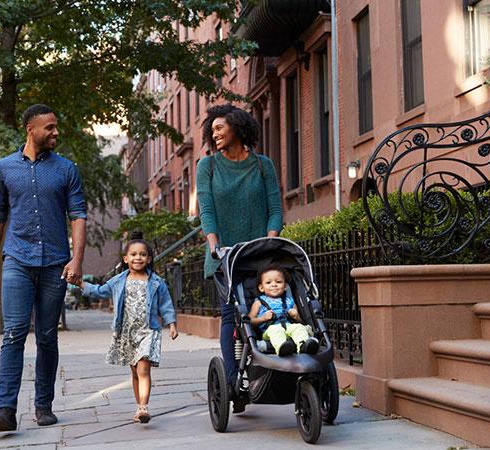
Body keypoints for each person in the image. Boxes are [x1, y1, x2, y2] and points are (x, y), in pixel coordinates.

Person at [0, 104, 87, 431]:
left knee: (46, 336)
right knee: (13, 333)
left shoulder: (66, 169)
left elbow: (79, 216)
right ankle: (6, 409)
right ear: (31, 129)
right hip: (16, 260)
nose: (56, 132)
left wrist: (77, 259)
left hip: (55, 264)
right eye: (50, 127)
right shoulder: (4, 168)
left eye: (56, 127)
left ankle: (43, 405)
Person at [196, 103, 283, 410]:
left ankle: (267, 371)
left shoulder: (262, 165)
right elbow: (206, 209)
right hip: (225, 256)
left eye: (219, 128)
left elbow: (275, 208)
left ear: (237, 127)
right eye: (212, 129)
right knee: (231, 317)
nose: (214, 133)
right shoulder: (207, 166)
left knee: (268, 310)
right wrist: (213, 243)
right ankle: (234, 382)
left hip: (260, 256)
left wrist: (271, 242)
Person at [80, 233, 178, 424]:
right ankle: (139, 407)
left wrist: (172, 324)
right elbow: (100, 291)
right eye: (133, 254)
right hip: (126, 333)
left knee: (143, 369)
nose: (138, 257)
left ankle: (144, 406)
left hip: (148, 331)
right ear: (126, 259)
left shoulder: (156, 282)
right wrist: (80, 283)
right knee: (134, 372)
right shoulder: (118, 280)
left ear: (149, 259)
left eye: (142, 254)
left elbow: (166, 304)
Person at [249, 266, 319, 356]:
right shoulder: (258, 302)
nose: (274, 284)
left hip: (288, 327)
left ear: (285, 286)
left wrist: (296, 316)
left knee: (299, 327)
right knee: (276, 330)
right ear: (261, 288)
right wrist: (262, 318)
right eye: (268, 282)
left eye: (278, 282)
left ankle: (304, 346)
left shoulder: (290, 301)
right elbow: (250, 321)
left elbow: (300, 321)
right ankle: (282, 348)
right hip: (269, 331)